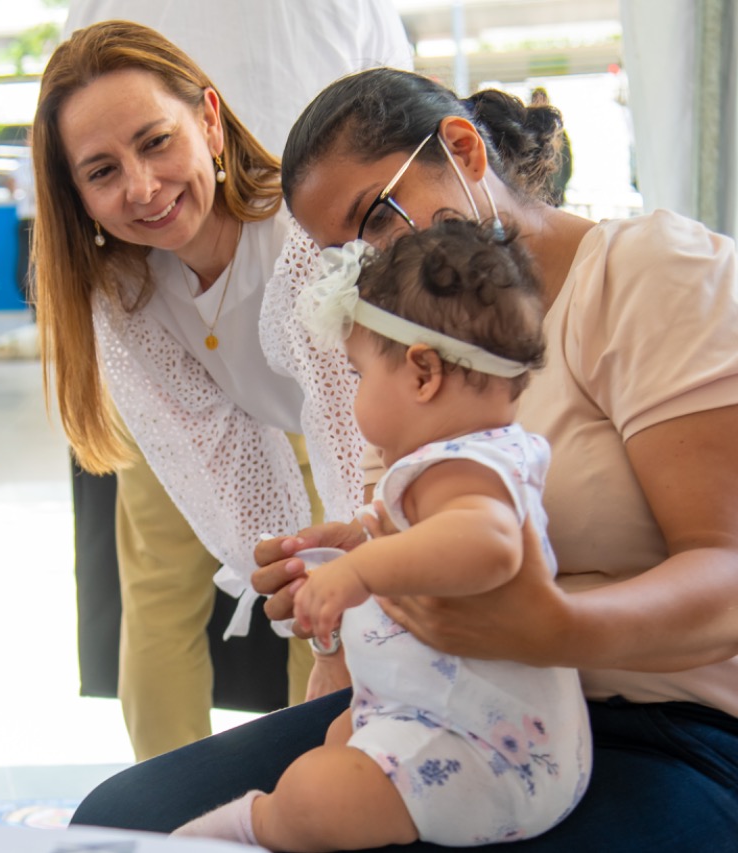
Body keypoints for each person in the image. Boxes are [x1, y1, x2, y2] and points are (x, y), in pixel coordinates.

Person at [72, 67, 738, 848]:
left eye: (376, 220)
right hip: (452, 705)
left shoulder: (650, 273)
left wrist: (553, 629)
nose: (372, 265)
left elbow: (724, 569)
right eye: (342, 258)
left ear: (462, 149)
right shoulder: (401, 348)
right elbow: (423, 520)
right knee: (121, 824)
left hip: (668, 723)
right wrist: (359, 558)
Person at [55, 2, 413, 759]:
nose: (143, 188)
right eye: (102, 171)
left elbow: (367, 486)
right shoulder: (125, 293)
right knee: (188, 592)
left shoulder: (298, 250)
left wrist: (334, 644)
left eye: (158, 143)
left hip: (412, 455)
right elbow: (253, 520)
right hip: (339, 457)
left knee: (339, 588)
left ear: (210, 123)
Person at [175, 221, 591, 849]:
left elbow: (489, 545)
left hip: (484, 750)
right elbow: (435, 558)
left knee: (317, 792)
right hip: (436, 717)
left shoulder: (464, 469)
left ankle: (252, 828)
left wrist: (362, 572)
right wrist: (361, 547)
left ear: (422, 373)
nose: (354, 396)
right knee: (339, 744)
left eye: (359, 374)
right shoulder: (458, 458)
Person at [529, 87, 571, 206]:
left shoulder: (558, 132)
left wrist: (561, 186)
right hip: (533, 193)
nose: (539, 102)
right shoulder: (526, 129)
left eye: (542, 99)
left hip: (554, 191)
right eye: (536, 99)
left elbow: (567, 163)